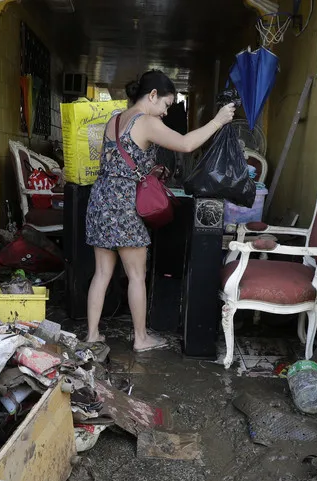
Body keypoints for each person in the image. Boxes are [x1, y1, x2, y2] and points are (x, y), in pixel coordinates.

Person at [84, 70, 235, 351]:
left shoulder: (115, 120)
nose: (166, 112)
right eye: (166, 104)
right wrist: (218, 120)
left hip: (101, 199)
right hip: (124, 203)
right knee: (136, 275)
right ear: (152, 95)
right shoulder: (146, 121)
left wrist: (147, 171)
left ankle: (92, 335)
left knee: (101, 273)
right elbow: (186, 144)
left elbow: (120, 162)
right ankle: (141, 339)